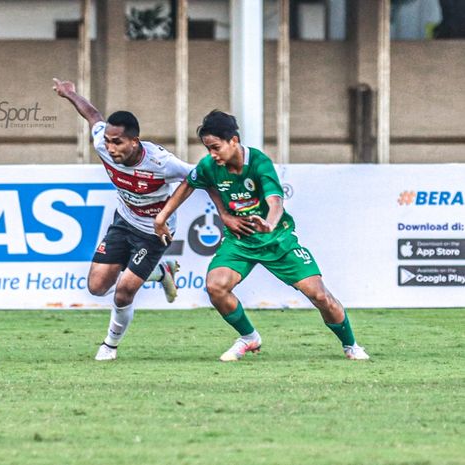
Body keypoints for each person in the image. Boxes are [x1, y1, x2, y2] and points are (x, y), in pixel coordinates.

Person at [154, 110, 370, 361]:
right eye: (207, 149)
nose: (211, 154)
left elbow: (275, 201)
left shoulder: (259, 163)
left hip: (277, 240)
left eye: (215, 147)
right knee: (215, 286)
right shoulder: (210, 166)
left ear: (233, 140)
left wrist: (268, 224)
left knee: (320, 296)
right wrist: (163, 218)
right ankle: (249, 337)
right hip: (240, 241)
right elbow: (191, 183)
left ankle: (351, 345)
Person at [52, 78, 197, 361]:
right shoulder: (103, 145)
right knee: (96, 287)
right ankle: (160, 272)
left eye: (117, 142)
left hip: (155, 232)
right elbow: (94, 116)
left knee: (123, 291)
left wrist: (164, 215)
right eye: (107, 140)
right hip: (124, 220)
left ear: (135, 141)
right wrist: (70, 94)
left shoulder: (160, 162)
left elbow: (194, 177)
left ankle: (109, 345)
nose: (110, 147)